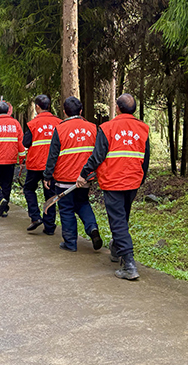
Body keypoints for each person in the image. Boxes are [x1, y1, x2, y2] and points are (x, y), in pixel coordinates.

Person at [77, 93, 149, 280]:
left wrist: (83, 173)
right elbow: (145, 158)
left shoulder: (108, 128)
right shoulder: (143, 128)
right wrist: (141, 179)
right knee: (122, 217)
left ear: (117, 108)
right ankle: (117, 250)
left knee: (117, 221)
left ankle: (130, 264)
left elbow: (98, 155)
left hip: (113, 181)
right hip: (133, 180)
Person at [44, 96, 103, 252]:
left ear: (64, 112)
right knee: (83, 203)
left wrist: (47, 175)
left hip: (64, 178)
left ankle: (70, 243)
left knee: (66, 208)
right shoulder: (92, 128)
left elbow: (53, 155)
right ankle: (92, 229)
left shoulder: (60, 129)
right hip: (85, 178)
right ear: (81, 111)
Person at [21, 94, 61, 233]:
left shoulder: (33, 124)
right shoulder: (59, 122)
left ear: (37, 107)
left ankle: (35, 217)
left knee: (29, 189)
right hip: (53, 166)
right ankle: (49, 227)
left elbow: (25, 142)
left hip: (35, 164)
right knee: (50, 194)